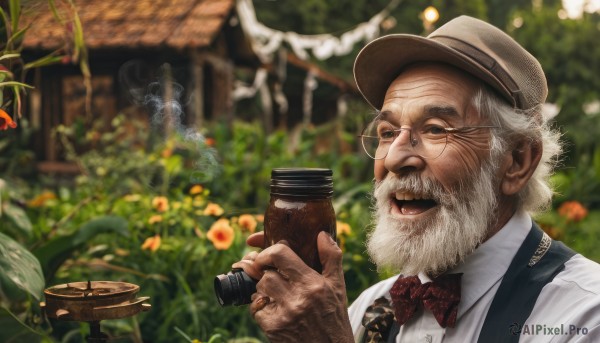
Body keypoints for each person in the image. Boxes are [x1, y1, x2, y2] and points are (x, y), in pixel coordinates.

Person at [233, 16, 600, 342]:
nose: (394, 158)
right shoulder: (370, 310)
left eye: (437, 129)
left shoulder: (582, 316)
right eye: (388, 131)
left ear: (517, 161)